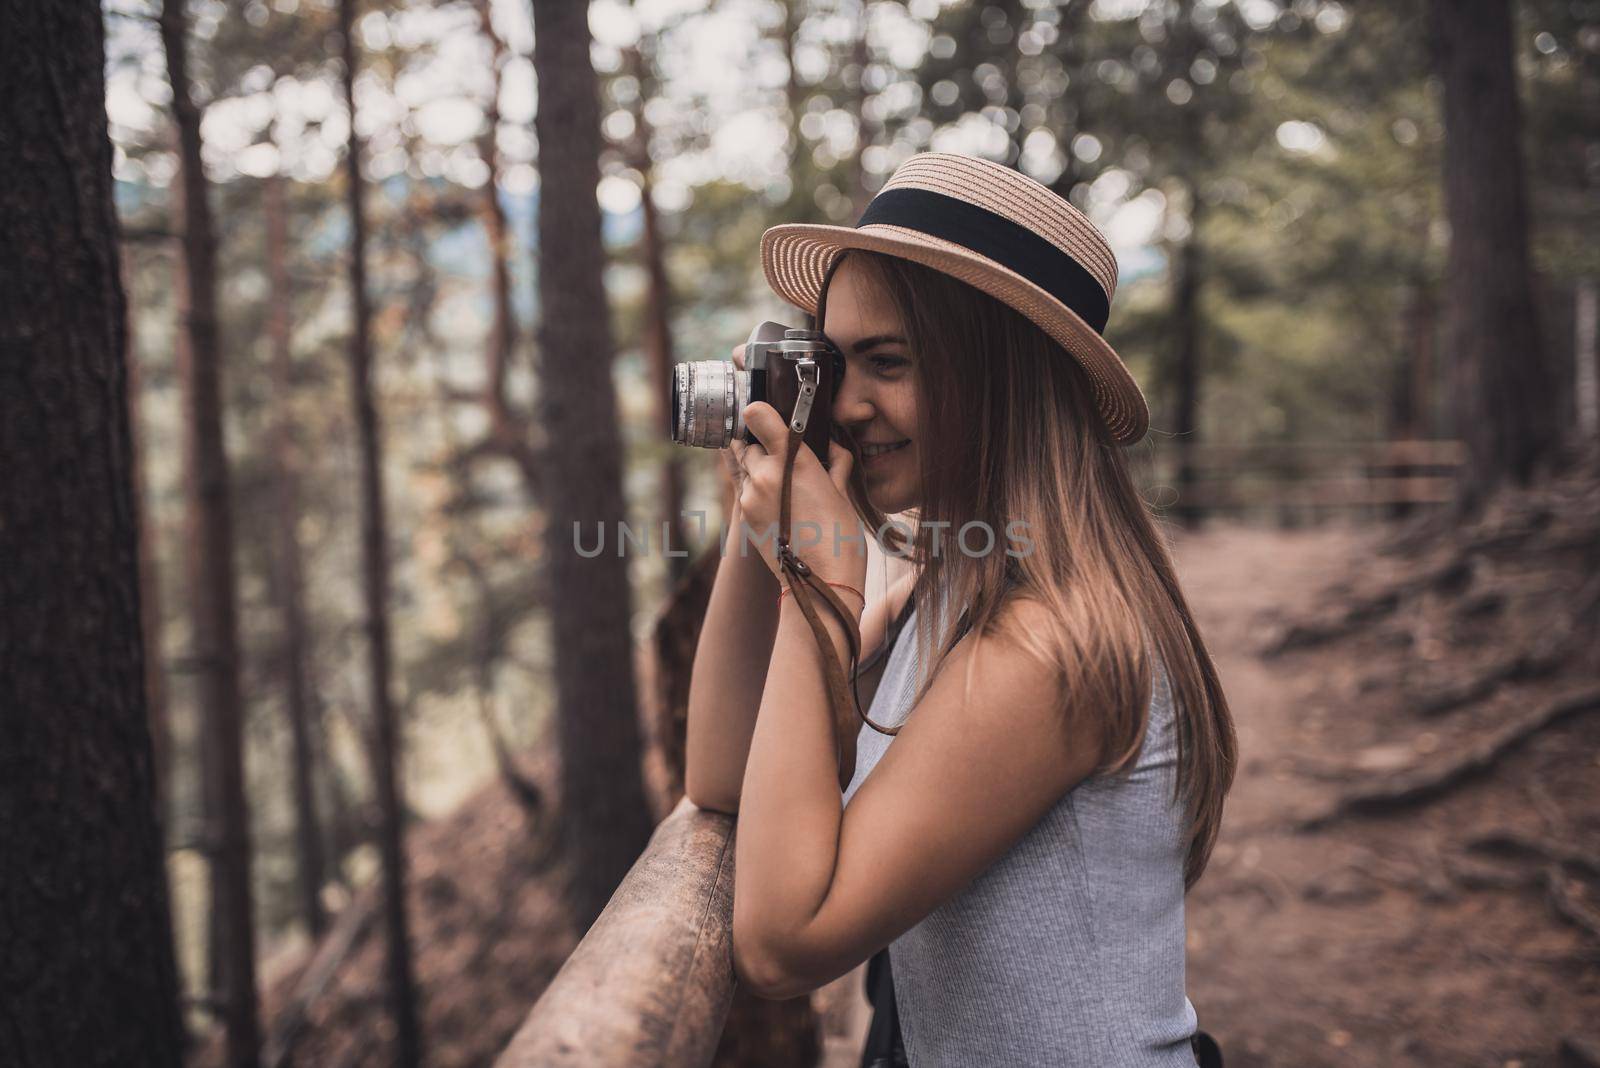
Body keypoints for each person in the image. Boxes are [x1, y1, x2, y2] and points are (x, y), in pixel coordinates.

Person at [683, 152, 1237, 1067]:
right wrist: (767, 495)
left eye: (887, 363)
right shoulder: (945, 588)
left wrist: (821, 582)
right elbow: (725, 773)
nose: (851, 405)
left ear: (1002, 377)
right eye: (836, 362)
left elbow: (782, 942)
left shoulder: (1051, 642)